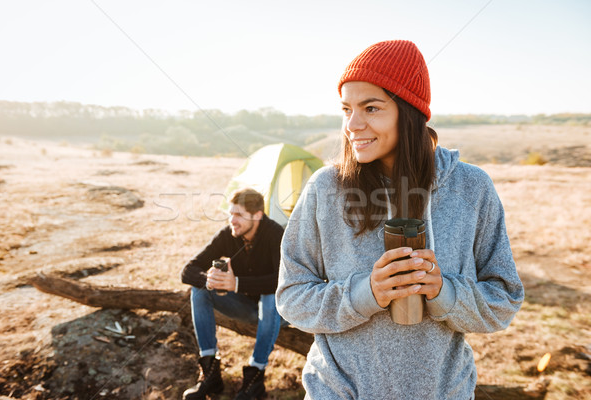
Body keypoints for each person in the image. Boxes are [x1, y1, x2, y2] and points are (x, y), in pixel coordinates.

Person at [276, 40, 524, 399]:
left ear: (410, 112)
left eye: (371, 108)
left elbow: (503, 300)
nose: (352, 125)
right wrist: (366, 293)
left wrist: (445, 292)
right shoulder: (326, 189)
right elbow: (292, 296)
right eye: (346, 109)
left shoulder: (471, 188)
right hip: (339, 392)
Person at [181, 187, 284, 400]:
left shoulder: (275, 234)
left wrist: (236, 283)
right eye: (230, 213)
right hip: (247, 309)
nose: (232, 220)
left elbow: (282, 281)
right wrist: (210, 279)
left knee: (270, 295)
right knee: (200, 288)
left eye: (238, 214)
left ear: (257, 215)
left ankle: (255, 377)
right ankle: (210, 372)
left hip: (278, 312)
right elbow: (188, 270)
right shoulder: (228, 234)